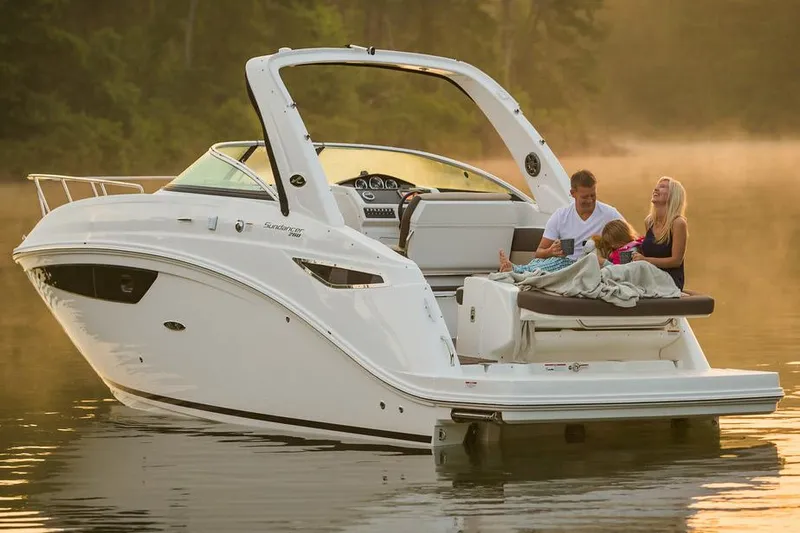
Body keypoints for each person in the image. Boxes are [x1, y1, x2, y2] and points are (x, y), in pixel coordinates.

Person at [535, 169, 625, 261]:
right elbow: (539, 252)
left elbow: (631, 242)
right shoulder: (560, 216)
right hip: (567, 266)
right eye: (585, 197)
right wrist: (550, 251)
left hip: (598, 267)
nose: (590, 200)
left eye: (593, 195)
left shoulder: (610, 214)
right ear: (572, 193)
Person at [632, 176, 688, 290]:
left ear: (673, 195)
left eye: (662, 187)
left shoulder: (678, 223)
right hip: (651, 275)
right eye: (656, 187)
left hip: (670, 280)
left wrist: (645, 261)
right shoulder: (649, 221)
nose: (656, 189)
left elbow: (676, 261)